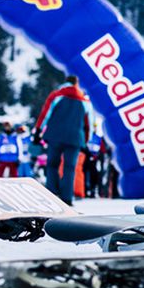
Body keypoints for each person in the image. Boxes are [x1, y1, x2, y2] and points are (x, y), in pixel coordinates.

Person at [34, 75, 92, 205]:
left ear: (65, 82)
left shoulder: (56, 95)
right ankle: (67, 198)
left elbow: (45, 114)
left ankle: (52, 195)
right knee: (70, 167)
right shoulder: (85, 101)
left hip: (55, 136)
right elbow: (89, 124)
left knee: (52, 165)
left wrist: (38, 131)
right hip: (75, 139)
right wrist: (86, 141)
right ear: (76, 84)